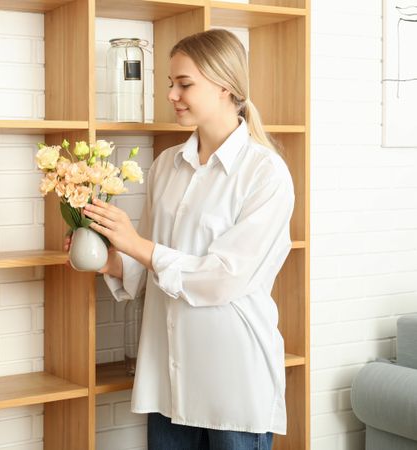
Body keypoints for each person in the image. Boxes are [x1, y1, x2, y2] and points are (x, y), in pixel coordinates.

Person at [64, 29, 294, 450]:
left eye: (184, 84)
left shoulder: (266, 173)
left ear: (225, 85)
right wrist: (109, 261)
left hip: (232, 380)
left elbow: (224, 278)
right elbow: (151, 257)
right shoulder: (167, 165)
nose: (171, 94)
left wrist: (134, 245)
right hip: (170, 379)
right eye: (170, 83)